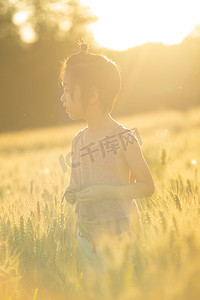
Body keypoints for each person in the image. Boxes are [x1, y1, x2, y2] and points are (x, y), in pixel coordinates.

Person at [60, 40, 155, 280]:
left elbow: (147, 187)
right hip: (86, 233)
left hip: (119, 234)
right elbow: (78, 181)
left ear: (92, 94)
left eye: (68, 90)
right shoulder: (78, 141)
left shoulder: (123, 138)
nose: (63, 98)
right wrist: (72, 191)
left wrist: (104, 191)